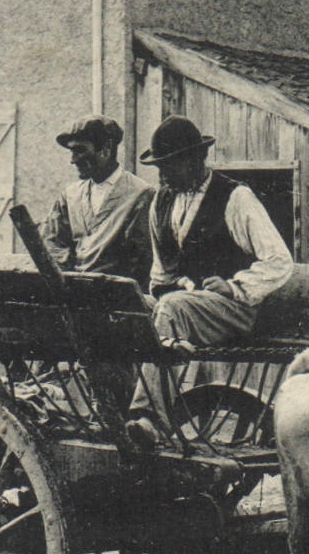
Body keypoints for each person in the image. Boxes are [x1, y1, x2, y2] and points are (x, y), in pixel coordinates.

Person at [125, 116, 294, 448]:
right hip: (186, 307)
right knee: (130, 306)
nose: (162, 176)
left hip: (234, 311)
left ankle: (150, 419)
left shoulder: (235, 197)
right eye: (159, 167)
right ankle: (119, 413)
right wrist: (160, 292)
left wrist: (234, 286)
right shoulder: (161, 201)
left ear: (192, 160)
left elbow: (278, 261)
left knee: (172, 309)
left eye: (168, 166)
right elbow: (161, 272)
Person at [42, 115, 154, 285]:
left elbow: (140, 263)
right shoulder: (69, 195)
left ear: (106, 149)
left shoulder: (140, 195)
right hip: (71, 292)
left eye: (80, 150)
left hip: (115, 295)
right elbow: (53, 243)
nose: (73, 160)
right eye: (71, 151)